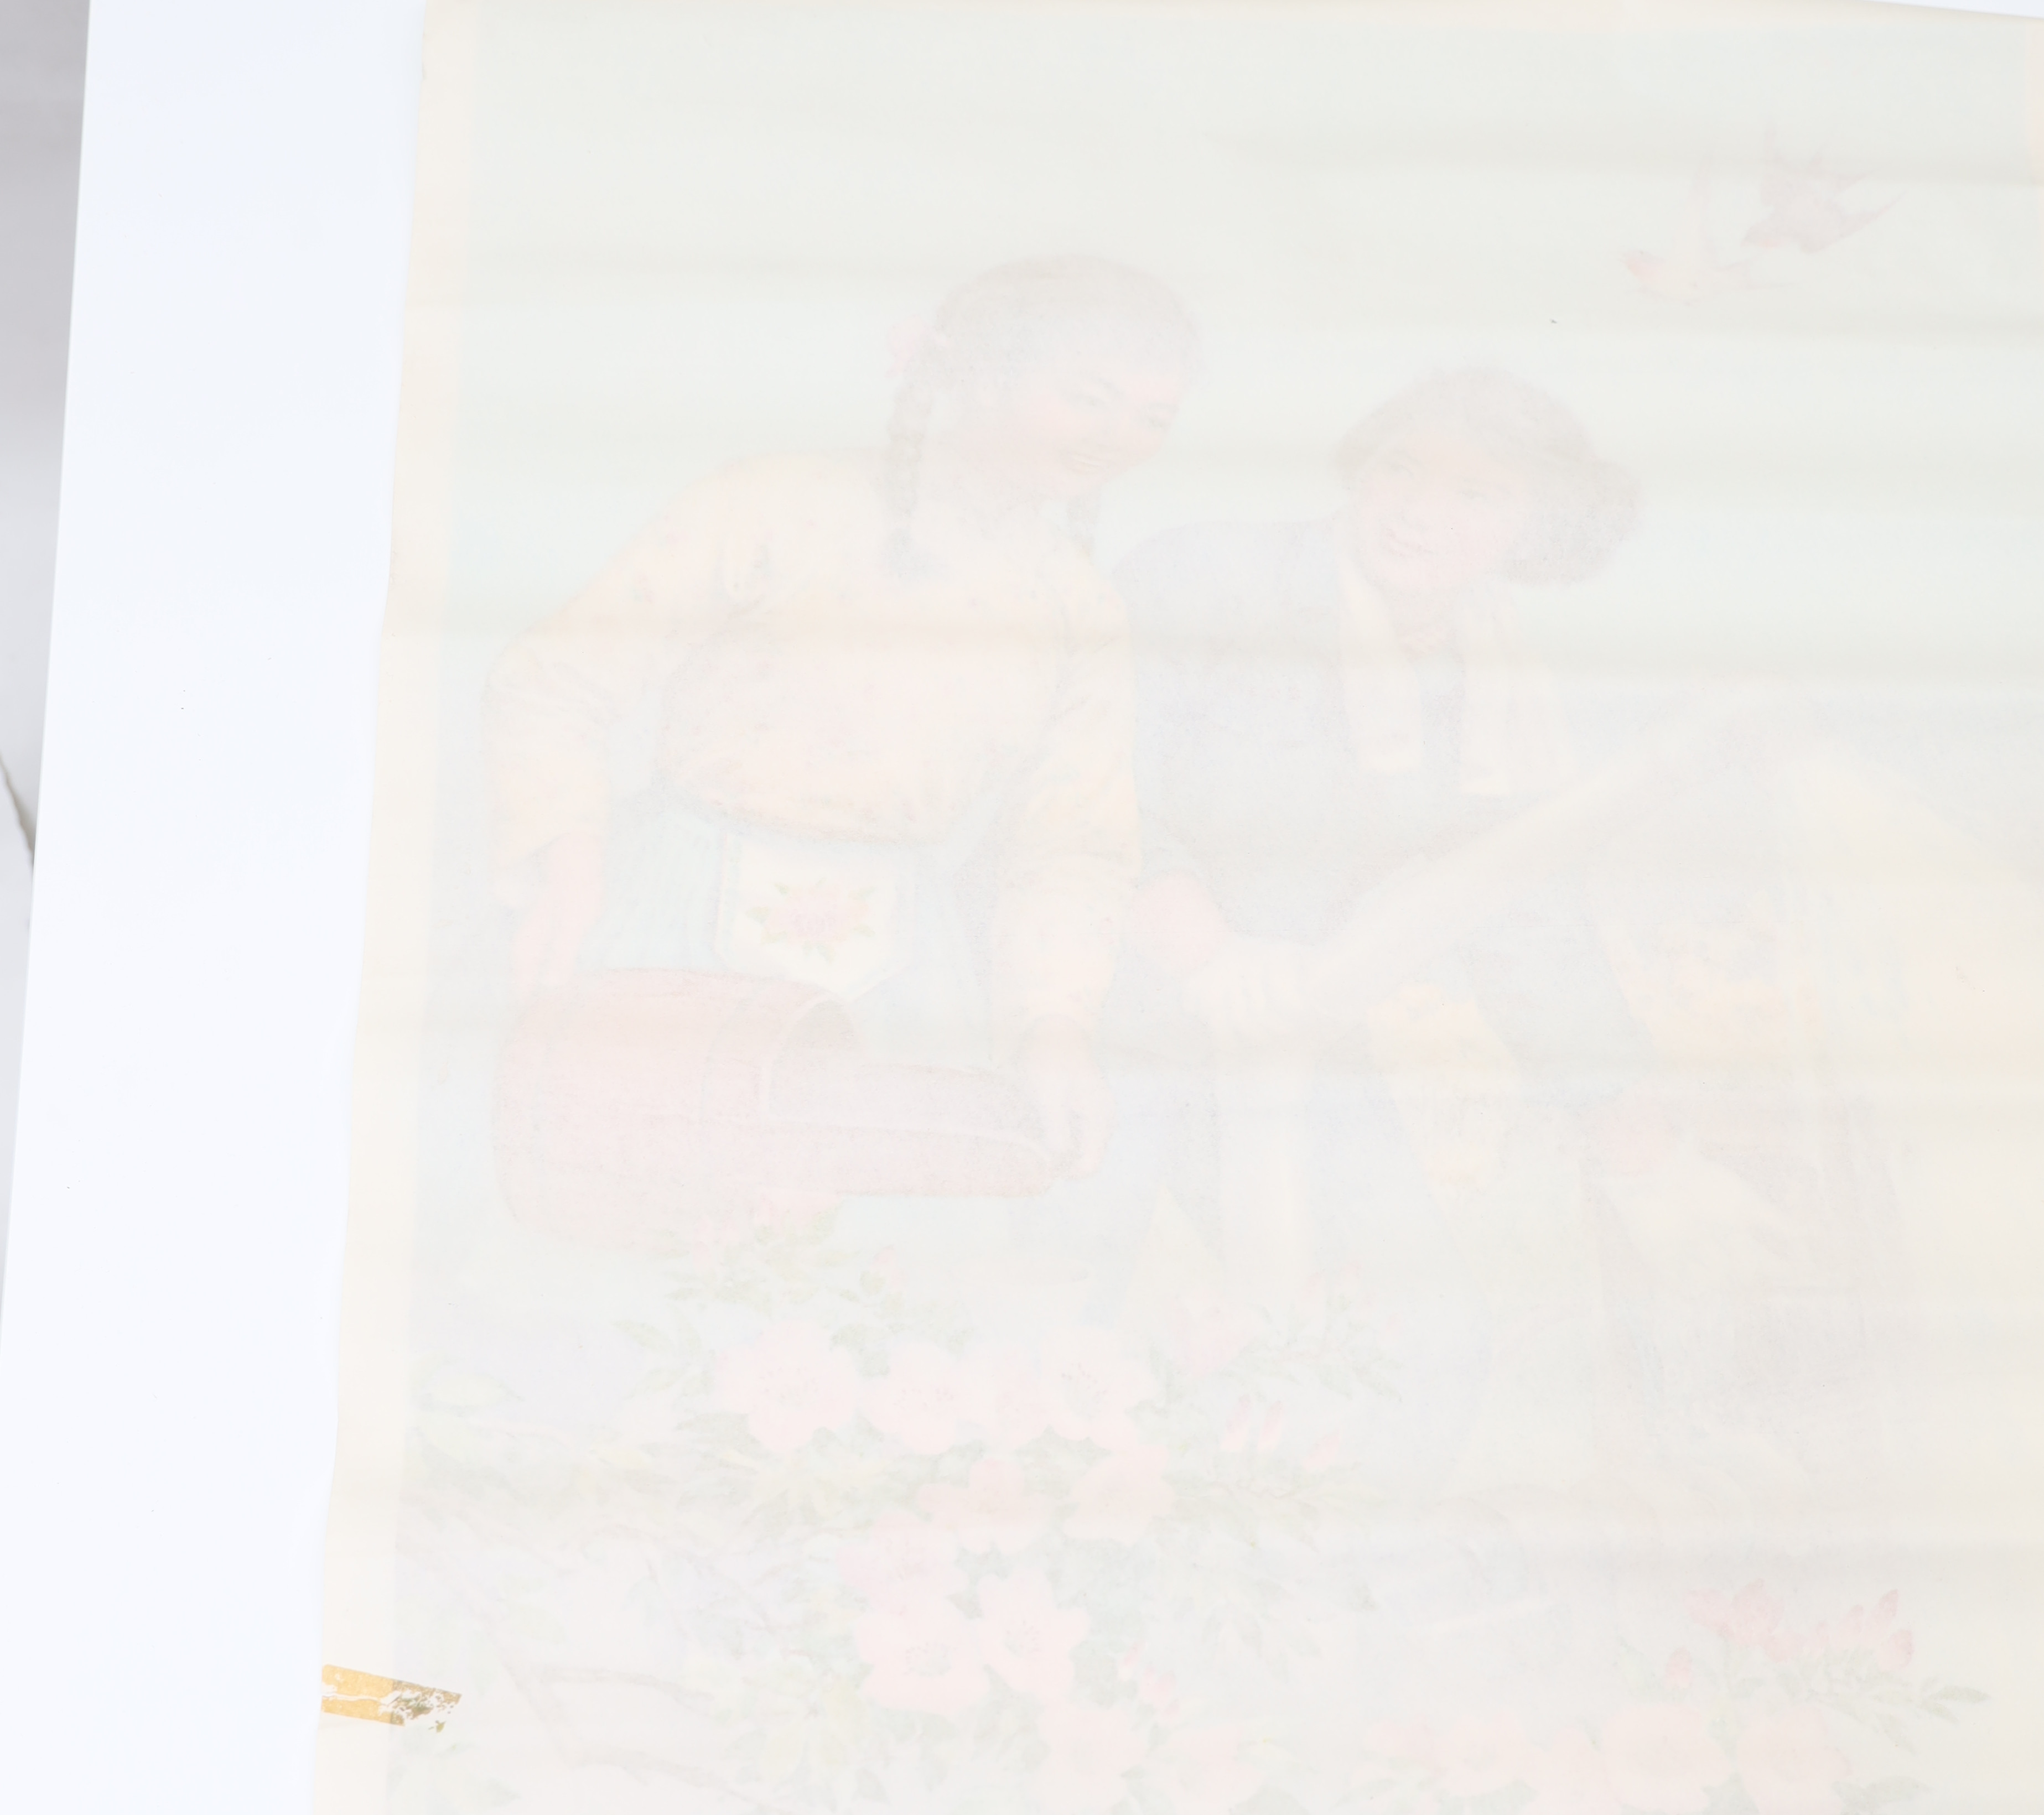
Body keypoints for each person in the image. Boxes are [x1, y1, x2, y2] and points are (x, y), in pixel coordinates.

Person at [484, 256, 1192, 1236]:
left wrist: (1053, 1026)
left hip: (904, 963)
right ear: (980, 370)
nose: (1116, 439)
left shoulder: (1080, 609)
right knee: (649, 1209)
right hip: (669, 916)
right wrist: (570, 868)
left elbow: (1072, 842)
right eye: (1089, 398)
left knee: (870, 1260)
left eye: (1153, 419)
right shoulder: (773, 502)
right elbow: (557, 680)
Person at [1103, 367, 1648, 1368]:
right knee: (1051, 1310)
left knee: (1416, 1345)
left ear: (1537, 527)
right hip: (1083, 1001)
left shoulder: (1492, 682)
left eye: (1474, 492)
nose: (1418, 513)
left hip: (1288, 1025)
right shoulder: (1204, 576)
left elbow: (1516, 903)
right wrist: (1204, 951)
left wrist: (1608, 1100)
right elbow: (1085, 785)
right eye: (1403, 469)